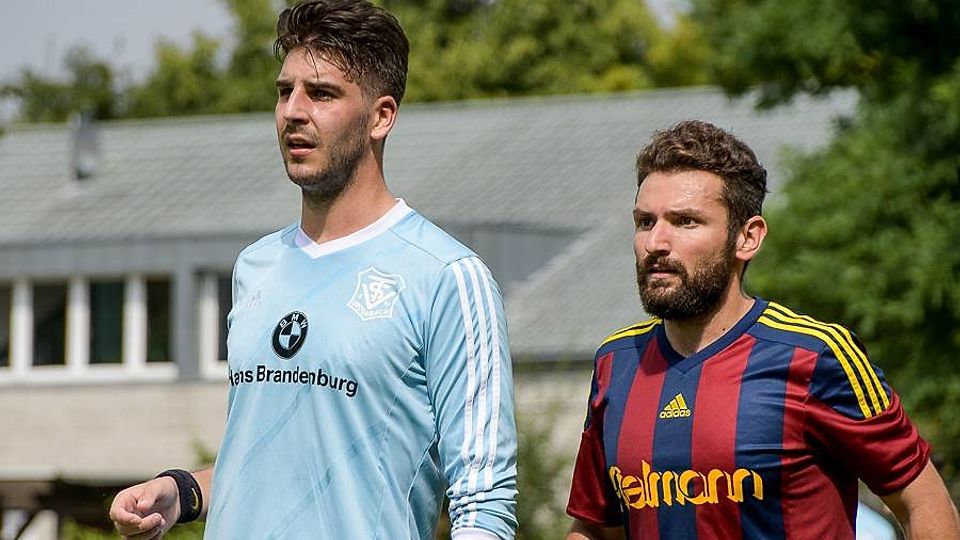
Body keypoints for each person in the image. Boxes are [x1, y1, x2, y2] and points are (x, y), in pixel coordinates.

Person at [109, 1, 518, 538]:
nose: (293, 112)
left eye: (321, 94)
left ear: (381, 117)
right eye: (285, 92)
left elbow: (485, 503)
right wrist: (182, 492)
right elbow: (267, 461)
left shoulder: (447, 275)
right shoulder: (256, 265)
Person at [565, 120, 960, 540]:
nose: (656, 242)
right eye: (645, 222)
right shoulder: (617, 362)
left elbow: (925, 504)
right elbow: (594, 528)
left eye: (685, 221)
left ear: (747, 238)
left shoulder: (814, 355)